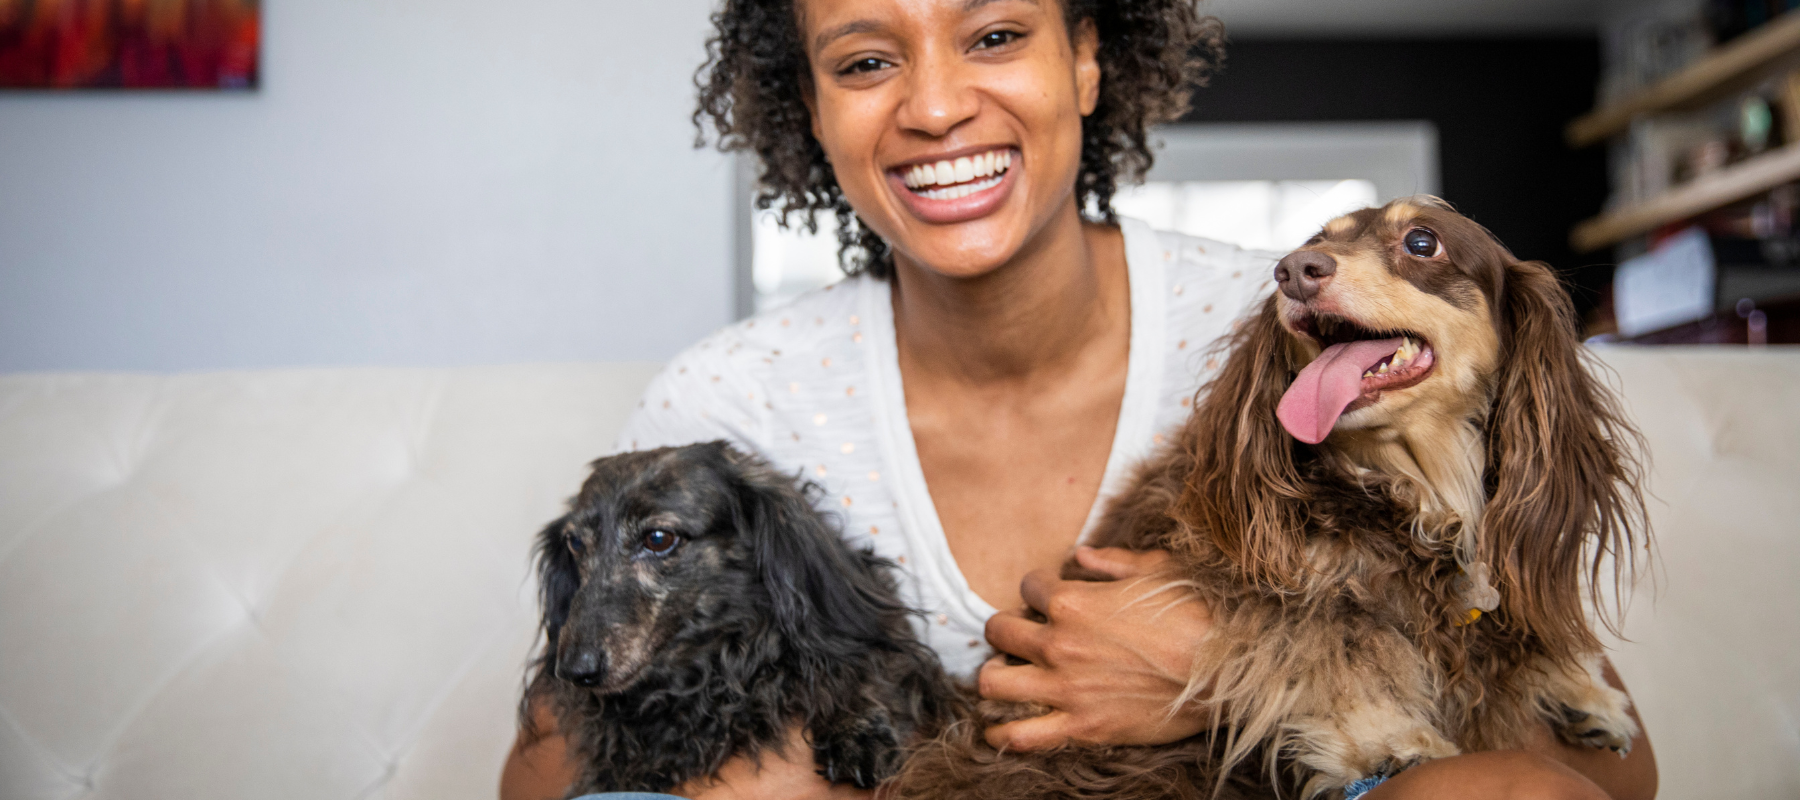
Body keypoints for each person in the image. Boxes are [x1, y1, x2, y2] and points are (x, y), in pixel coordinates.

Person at [501, 1, 1659, 798]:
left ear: (1088, 58)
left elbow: (1611, 765)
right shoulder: (737, 406)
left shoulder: (1289, 335)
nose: (935, 105)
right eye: (864, 60)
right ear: (810, 107)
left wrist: (1225, 666)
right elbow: (547, 760)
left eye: (996, 34)